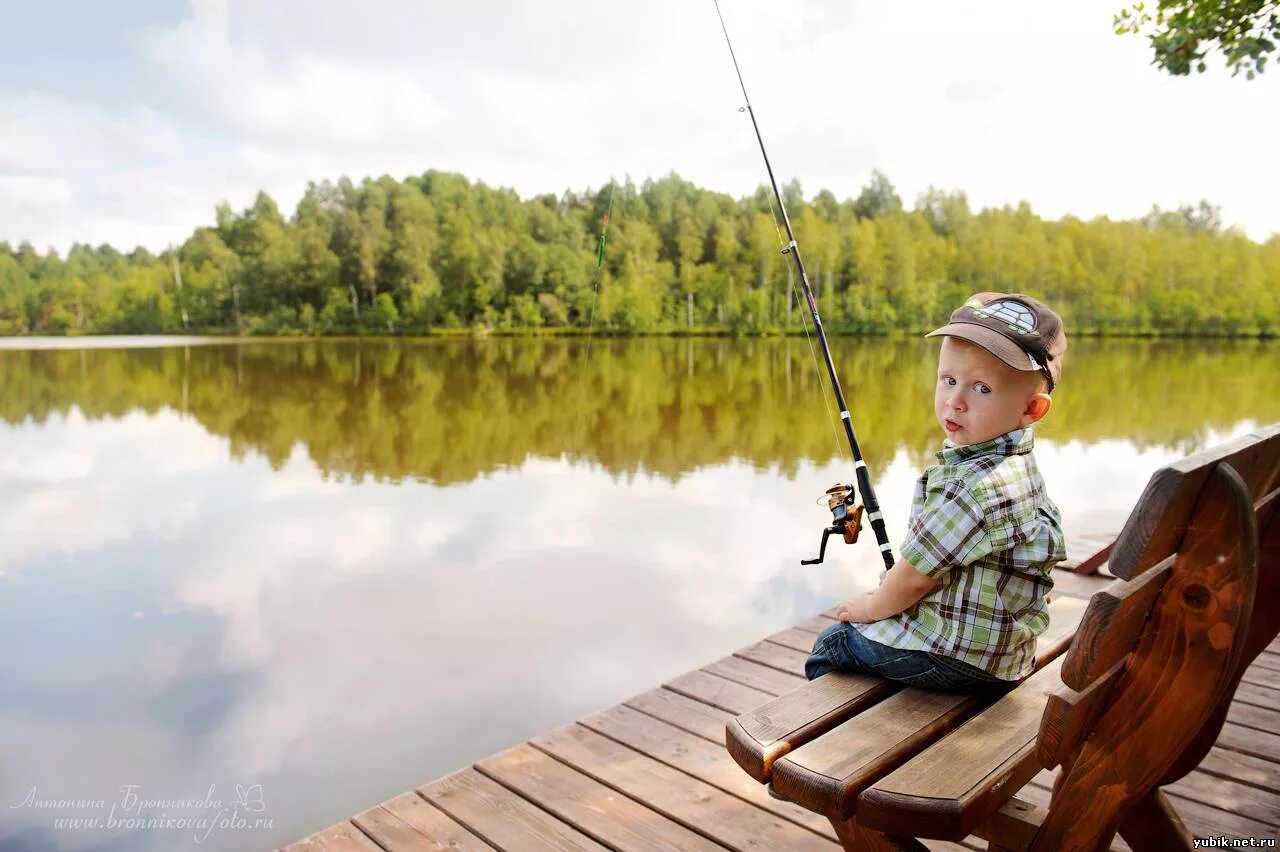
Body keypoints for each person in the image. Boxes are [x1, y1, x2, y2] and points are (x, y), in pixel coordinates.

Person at [805, 292, 1068, 694]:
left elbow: (912, 579)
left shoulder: (972, 487)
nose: (955, 401)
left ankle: (836, 739)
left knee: (835, 642)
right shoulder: (1018, 467)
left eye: (981, 389)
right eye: (948, 380)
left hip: (962, 659)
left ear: (1032, 408)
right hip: (1004, 652)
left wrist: (872, 608)